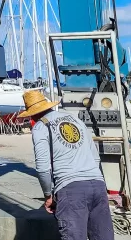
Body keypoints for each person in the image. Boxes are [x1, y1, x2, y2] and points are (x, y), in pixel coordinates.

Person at [20, 89, 114, 240]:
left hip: (70, 189)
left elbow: (43, 168)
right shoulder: (76, 120)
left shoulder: (41, 127)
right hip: (98, 185)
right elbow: (95, 159)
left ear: (32, 113)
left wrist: (48, 195)